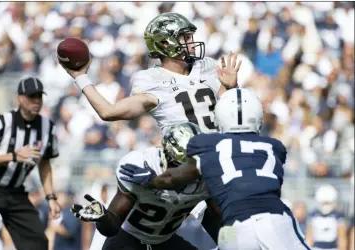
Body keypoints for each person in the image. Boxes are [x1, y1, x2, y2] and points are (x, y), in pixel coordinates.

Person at [122, 88, 311, 250]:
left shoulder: (209, 145)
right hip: (275, 219)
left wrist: (151, 180)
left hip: (237, 226)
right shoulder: (274, 146)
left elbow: (174, 179)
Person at [59, 12, 241, 134]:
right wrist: (80, 77)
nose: (192, 43)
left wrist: (231, 87)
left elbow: (232, 113)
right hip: (185, 164)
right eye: (185, 38)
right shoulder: (151, 80)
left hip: (221, 155)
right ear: (166, 43)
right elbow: (108, 112)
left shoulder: (207, 65)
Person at [71, 122, 221, 250]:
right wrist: (103, 218)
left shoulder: (206, 177)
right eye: (180, 165)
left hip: (164, 241)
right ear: (166, 155)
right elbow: (111, 227)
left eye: (191, 165)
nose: (185, 173)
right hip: (128, 239)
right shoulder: (140, 166)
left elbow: (217, 219)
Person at [0, 76, 61, 250]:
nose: (37, 101)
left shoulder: (47, 127)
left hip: (15, 191)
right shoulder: (2, 122)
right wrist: (12, 156)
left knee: (38, 242)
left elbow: (45, 163)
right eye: (32, 96)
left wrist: (51, 197)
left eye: (39, 96)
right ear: (19, 99)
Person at [305, 185, 348, 250]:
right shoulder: (313, 215)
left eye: (327, 203)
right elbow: (309, 236)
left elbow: (341, 238)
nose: (325, 205)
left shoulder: (338, 216)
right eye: (324, 203)